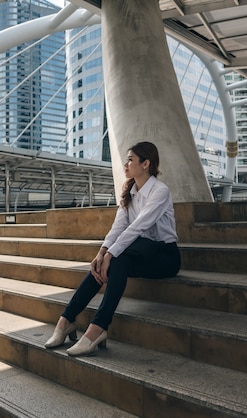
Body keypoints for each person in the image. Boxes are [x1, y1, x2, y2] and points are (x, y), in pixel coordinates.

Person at [44, 141, 181, 356]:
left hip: (164, 256)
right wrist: (101, 253)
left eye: (130, 160)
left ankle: (97, 328)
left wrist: (111, 254)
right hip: (140, 251)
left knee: (116, 260)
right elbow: (119, 226)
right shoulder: (130, 192)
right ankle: (66, 320)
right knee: (107, 263)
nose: (125, 164)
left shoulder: (160, 191)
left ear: (146, 164)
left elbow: (139, 225)